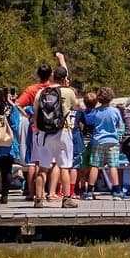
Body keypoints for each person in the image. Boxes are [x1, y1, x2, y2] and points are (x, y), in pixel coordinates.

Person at [28, 62, 80, 209]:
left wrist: (38, 131)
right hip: (63, 132)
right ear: (64, 79)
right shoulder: (68, 92)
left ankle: (38, 199)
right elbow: (76, 107)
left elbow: (36, 114)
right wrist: (68, 88)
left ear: (52, 76)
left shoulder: (41, 93)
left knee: (43, 168)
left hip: (44, 134)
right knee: (64, 167)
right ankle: (67, 198)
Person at [0, 87, 18, 205]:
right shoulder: (11, 108)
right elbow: (15, 125)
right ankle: (4, 196)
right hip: (8, 144)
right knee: (7, 171)